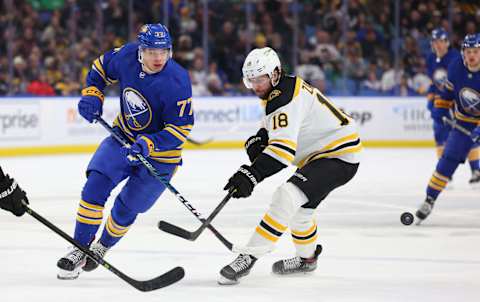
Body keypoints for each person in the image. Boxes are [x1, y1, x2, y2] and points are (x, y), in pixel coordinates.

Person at [56, 23, 194, 280]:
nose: (158, 58)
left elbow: (181, 129)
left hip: (162, 156)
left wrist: (150, 143)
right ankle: (79, 247)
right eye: (152, 51)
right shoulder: (126, 56)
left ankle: (102, 246)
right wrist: (93, 95)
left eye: (163, 51)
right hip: (123, 137)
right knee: (95, 186)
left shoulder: (177, 80)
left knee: (127, 207)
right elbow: (99, 69)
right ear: (141, 50)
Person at [218, 47, 362, 285]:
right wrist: (262, 136)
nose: (256, 86)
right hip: (324, 155)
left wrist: (251, 174)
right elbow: (280, 129)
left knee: (286, 196)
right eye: (251, 80)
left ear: (274, 74)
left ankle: (249, 256)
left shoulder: (283, 97)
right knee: (301, 213)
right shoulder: (281, 89)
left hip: (338, 155)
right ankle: (307, 260)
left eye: (260, 79)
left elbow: (283, 153)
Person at [416, 34, 480, 224]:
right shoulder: (455, 68)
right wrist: (440, 108)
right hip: (463, 122)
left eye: (476, 52)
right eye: (468, 52)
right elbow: (447, 94)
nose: (472, 56)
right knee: (447, 161)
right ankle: (429, 199)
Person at [426, 28, 480, 185]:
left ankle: (476, 169)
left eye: (441, 41)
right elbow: (433, 82)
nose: (438, 45)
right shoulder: (430, 58)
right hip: (441, 100)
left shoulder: (456, 58)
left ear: (446, 43)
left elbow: (461, 84)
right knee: (439, 133)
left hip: (458, 100)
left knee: (467, 134)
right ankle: (445, 173)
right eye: (435, 42)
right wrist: (432, 100)